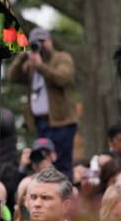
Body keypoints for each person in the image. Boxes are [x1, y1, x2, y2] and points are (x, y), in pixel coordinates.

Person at [9, 27, 78, 176]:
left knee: (61, 164)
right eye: (35, 42)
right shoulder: (30, 64)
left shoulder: (61, 58)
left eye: (42, 41)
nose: (39, 45)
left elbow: (64, 78)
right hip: (41, 123)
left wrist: (41, 66)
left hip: (61, 122)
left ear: (50, 41)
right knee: (42, 163)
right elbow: (12, 77)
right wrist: (22, 56)